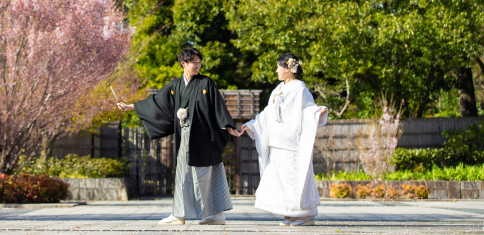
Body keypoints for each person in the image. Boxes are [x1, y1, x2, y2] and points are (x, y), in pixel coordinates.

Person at [117, 48, 242, 225]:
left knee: (205, 175)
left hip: (204, 137)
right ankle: (179, 214)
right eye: (194, 63)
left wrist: (229, 127)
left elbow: (218, 106)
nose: (198, 66)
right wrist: (130, 106)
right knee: (182, 174)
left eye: (199, 63)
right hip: (185, 134)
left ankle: (216, 214)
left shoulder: (206, 83)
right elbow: (156, 101)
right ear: (183, 63)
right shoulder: (175, 86)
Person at [240, 54, 328, 227]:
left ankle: (304, 214)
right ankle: (290, 213)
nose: (276, 70)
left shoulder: (300, 88)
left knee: (295, 179)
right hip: (277, 143)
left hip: (292, 144)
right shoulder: (278, 89)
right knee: (280, 181)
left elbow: (308, 108)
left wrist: (316, 112)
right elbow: (267, 113)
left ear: (288, 68)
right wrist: (251, 125)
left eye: (278, 67)